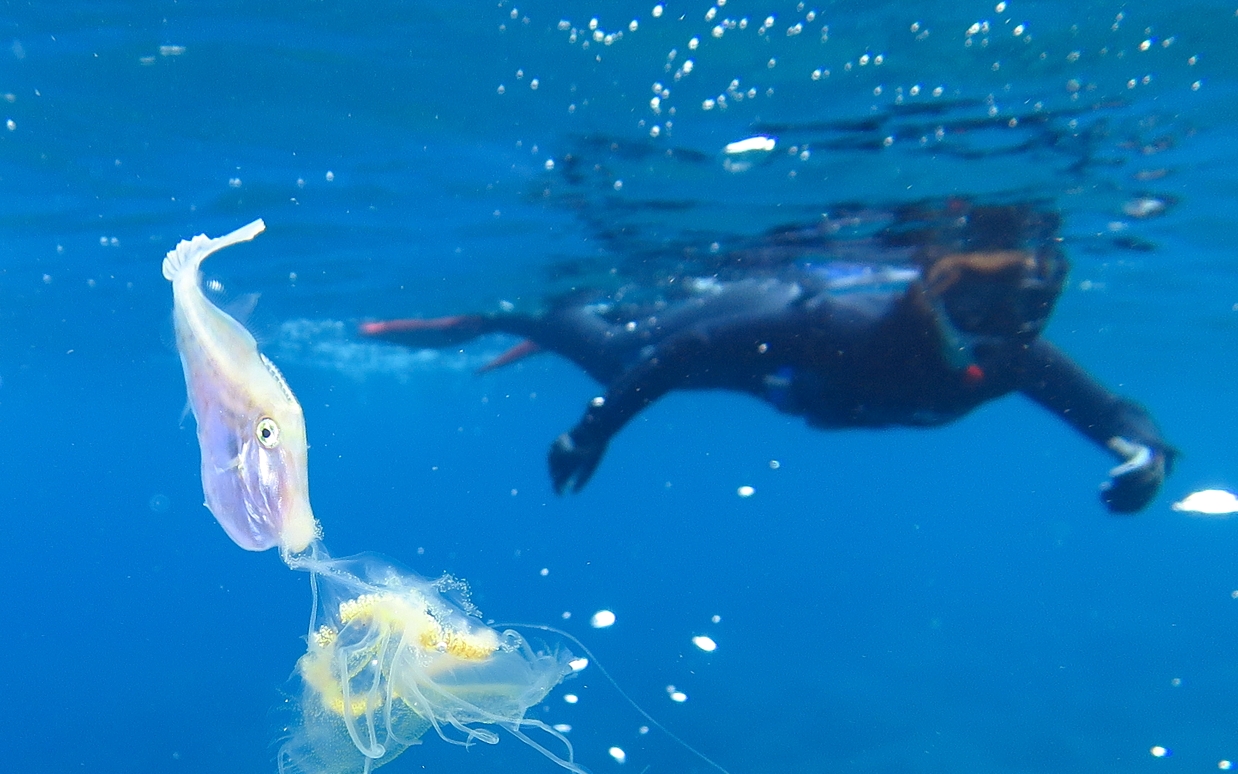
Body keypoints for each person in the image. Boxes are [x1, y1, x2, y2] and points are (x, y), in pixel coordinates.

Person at [360, 203, 1173, 513]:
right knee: (619, 351)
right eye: (980, 317)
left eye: (1022, 320)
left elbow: (1117, 415)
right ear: (930, 295)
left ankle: (551, 325)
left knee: (632, 348)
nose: (998, 342)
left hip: (779, 379)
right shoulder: (850, 327)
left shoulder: (1016, 362)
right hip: (749, 323)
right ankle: (504, 317)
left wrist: (1144, 458)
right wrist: (595, 428)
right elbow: (686, 351)